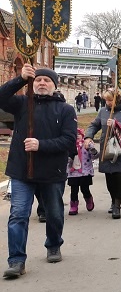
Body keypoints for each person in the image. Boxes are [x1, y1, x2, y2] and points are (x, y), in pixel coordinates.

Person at [2, 65, 76, 279]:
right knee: (18, 215)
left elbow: (69, 141)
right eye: (37, 80)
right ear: (32, 84)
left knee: (53, 214)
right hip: (21, 171)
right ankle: (16, 260)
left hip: (52, 172)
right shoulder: (22, 104)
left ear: (54, 85)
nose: (42, 83)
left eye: (46, 80)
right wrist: (19, 79)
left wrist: (40, 145)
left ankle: (53, 244)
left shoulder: (65, 110)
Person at [85, 89, 121, 219]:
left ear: (117, 99)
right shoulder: (103, 111)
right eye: (106, 100)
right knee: (110, 179)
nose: (108, 103)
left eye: (110, 100)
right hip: (107, 149)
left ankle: (117, 205)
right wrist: (88, 136)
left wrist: (117, 124)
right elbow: (94, 125)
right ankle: (113, 200)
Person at [66, 129, 99, 216]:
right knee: (74, 190)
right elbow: (66, 159)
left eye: (79, 134)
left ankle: (88, 199)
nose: (77, 135)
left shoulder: (86, 145)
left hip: (85, 171)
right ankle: (73, 206)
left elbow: (94, 157)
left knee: (85, 189)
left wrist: (92, 150)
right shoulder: (69, 145)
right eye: (75, 134)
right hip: (73, 172)